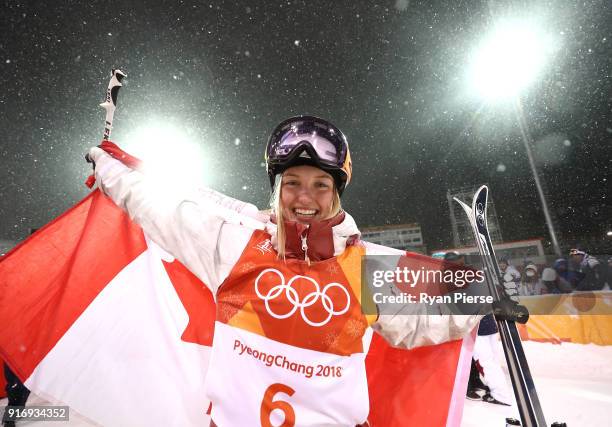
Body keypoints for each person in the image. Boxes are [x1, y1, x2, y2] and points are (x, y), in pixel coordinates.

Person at [87, 115, 483, 426]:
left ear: (336, 192)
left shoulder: (360, 267)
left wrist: (482, 298)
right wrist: (110, 168)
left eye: (320, 185)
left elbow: (417, 324)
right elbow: (161, 209)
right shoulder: (235, 247)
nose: (305, 196)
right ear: (277, 189)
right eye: (292, 182)